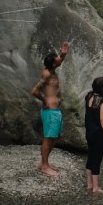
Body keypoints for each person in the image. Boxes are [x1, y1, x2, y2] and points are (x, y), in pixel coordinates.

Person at [30, 42, 70, 177]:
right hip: (50, 112)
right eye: (57, 59)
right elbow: (34, 91)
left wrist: (63, 54)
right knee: (48, 139)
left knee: (53, 138)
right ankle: (45, 166)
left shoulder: (52, 70)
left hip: (55, 112)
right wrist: (44, 100)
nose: (60, 60)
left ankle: (44, 163)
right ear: (53, 64)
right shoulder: (47, 75)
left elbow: (59, 61)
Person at [83, 76, 103, 194]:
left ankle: (89, 184)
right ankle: (96, 188)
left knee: (90, 156)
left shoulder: (88, 96)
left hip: (89, 132)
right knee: (97, 159)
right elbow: (102, 119)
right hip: (98, 133)